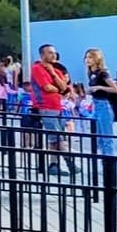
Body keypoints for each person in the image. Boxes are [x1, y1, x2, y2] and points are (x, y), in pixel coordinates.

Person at [30, 43, 73, 173]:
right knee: (56, 136)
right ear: (42, 54)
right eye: (50, 52)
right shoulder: (37, 68)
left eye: (54, 52)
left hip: (57, 106)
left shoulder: (57, 70)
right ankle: (70, 162)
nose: (53, 55)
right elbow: (46, 87)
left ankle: (53, 165)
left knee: (56, 138)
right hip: (45, 106)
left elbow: (65, 88)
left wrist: (53, 74)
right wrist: (58, 89)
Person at [85, 49, 117, 145]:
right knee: (99, 139)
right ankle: (104, 159)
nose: (87, 60)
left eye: (90, 57)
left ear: (97, 59)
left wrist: (99, 87)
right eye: (86, 57)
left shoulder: (102, 73)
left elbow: (115, 89)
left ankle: (109, 159)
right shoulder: (91, 73)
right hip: (96, 104)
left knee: (106, 138)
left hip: (103, 105)